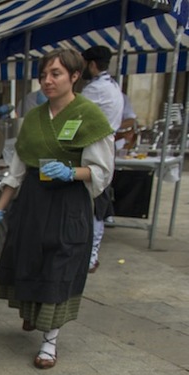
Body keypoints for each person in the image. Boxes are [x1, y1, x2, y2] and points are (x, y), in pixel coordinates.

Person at [0, 48, 114, 370]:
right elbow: (16, 172)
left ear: (74, 76)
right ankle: (32, 314)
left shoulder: (89, 116)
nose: (47, 81)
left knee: (60, 265)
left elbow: (101, 171)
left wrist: (72, 172)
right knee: (30, 260)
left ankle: (49, 342)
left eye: (56, 74)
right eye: (43, 75)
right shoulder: (34, 119)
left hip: (68, 203)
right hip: (33, 202)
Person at [81, 45, 124, 273]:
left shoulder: (95, 90)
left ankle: (90, 256)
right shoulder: (113, 86)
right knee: (98, 201)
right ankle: (91, 254)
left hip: (95, 148)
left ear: (91, 65)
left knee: (95, 203)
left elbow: (73, 114)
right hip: (106, 147)